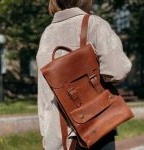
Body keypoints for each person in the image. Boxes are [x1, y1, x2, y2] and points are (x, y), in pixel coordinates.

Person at [36, 0, 132, 149]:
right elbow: (117, 70)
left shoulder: (47, 34)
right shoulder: (94, 24)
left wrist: (47, 135)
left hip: (59, 134)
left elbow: (44, 93)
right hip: (97, 125)